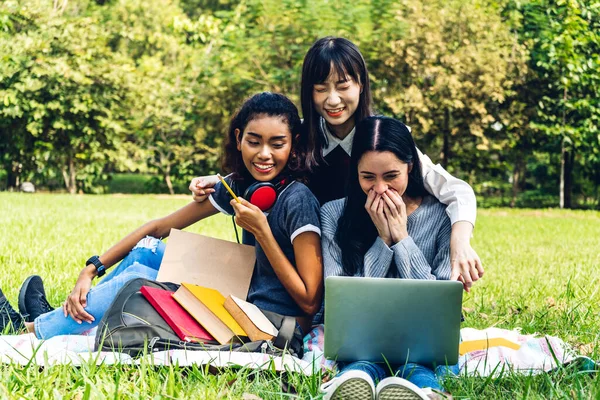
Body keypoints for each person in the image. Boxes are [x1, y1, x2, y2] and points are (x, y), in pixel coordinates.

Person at [0, 92, 323, 337]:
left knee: (136, 280)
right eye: (254, 141)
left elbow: (309, 301)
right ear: (239, 140)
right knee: (147, 252)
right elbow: (157, 228)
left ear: (293, 145)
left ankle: (29, 330)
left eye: (276, 143)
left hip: (271, 322)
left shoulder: (298, 200)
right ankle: (62, 315)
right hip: (242, 290)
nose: (264, 154)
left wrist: (263, 232)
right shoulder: (240, 187)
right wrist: (90, 270)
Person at [188, 37, 483, 291]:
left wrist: (460, 242)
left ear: (361, 85)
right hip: (311, 262)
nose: (332, 100)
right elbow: (265, 165)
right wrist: (220, 180)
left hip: (371, 258)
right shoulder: (301, 137)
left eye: (343, 86)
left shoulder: (382, 141)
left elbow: (455, 190)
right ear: (308, 91)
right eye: (321, 88)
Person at [318, 116, 458, 400]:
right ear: (355, 172)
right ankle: (350, 383)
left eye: (391, 176)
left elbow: (439, 303)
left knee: (421, 368)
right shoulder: (333, 214)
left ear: (410, 167)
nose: (379, 189)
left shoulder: (442, 216)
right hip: (360, 343)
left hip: (422, 344)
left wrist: (402, 237)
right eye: (367, 177)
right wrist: (383, 240)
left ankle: (424, 390)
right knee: (358, 366)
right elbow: (344, 304)